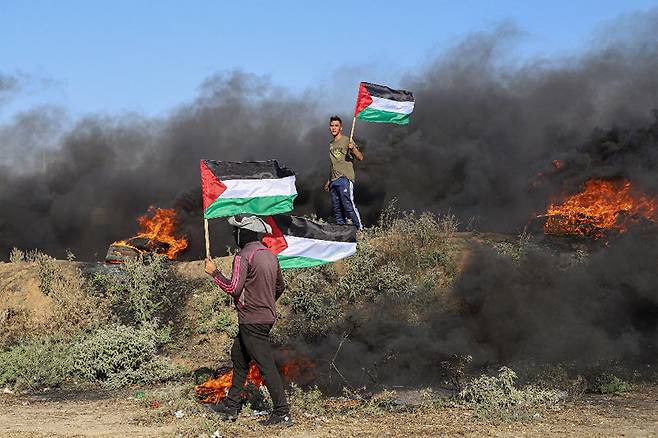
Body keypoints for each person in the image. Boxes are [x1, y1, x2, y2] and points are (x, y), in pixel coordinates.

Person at [203, 215, 291, 427]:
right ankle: (231, 406)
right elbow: (280, 287)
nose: (234, 235)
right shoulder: (270, 255)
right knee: (239, 357)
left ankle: (282, 412)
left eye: (236, 231)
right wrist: (266, 302)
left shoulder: (243, 256)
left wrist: (214, 273)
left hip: (251, 320)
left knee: (265, 365)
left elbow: (233, 288)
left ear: (242, 234)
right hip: (264, 317)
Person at [324, 115, 364, 229]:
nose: (334, 128)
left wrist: (353, 149)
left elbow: (360, 157)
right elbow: (334, 164)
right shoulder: (331, 144)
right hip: (334, 181)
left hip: (345, 179)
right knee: (337, 209)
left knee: (348, 205)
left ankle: (360, 229)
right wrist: (329, 180)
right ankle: (341, 231)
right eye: (332, 126)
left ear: (341, 127)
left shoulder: (347, 140)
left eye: (336, 126)